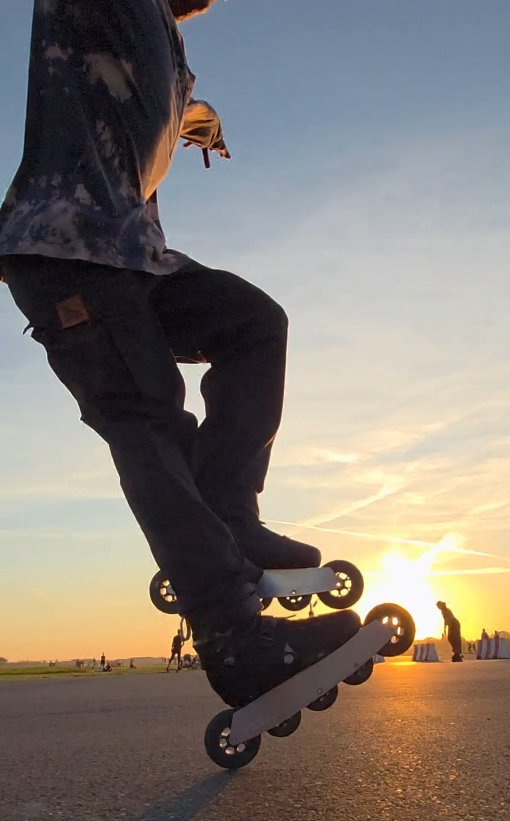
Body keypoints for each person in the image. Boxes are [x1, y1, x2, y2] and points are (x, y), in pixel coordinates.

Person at [0, 0, 359, 710]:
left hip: (136, 258)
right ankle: (232, 633)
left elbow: (174, 105)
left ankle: (228, 514)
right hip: (62, 249)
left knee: (254, 323)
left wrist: (204, 121)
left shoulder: (171, 52)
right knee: (145, 415)